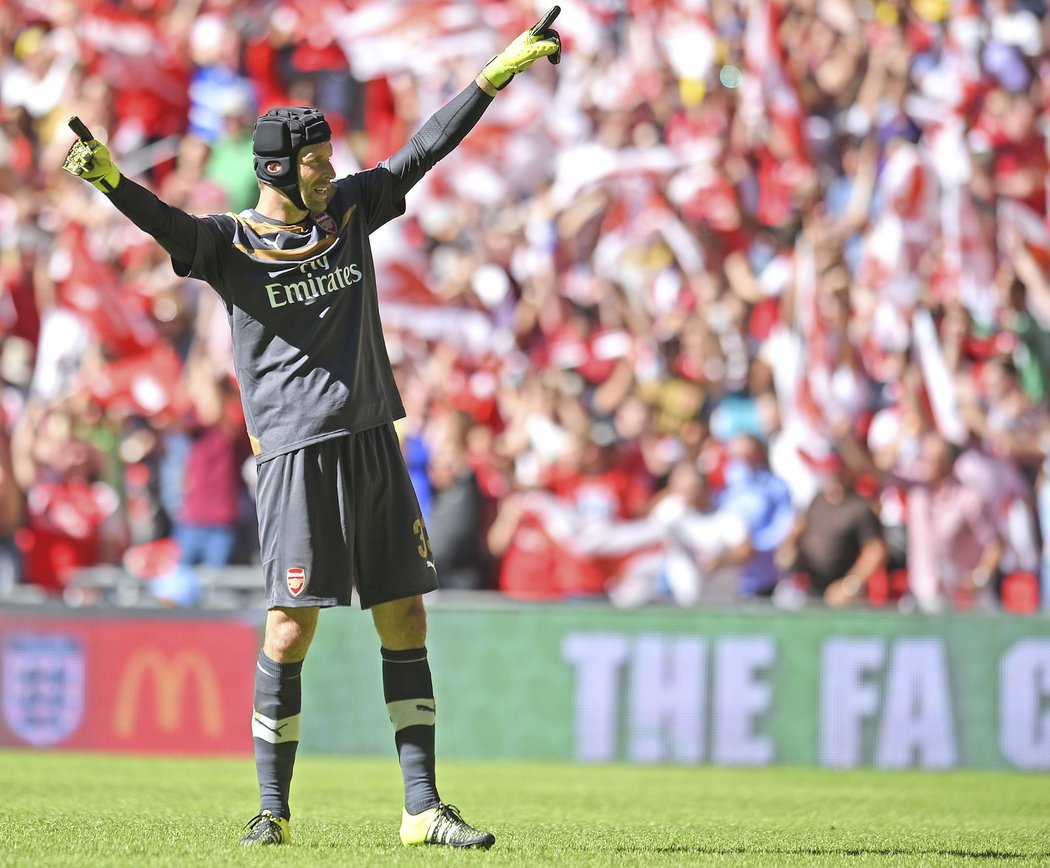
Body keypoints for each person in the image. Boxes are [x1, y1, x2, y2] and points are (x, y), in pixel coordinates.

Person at [61, 9, 563, 850]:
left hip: (373, 438)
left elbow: (424, 150)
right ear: (278, 171)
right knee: (289, 628)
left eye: (331, 159)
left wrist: (492, 76)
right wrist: (111, 179)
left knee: (405, 617)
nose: (335, 171)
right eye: (319, 162)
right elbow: (167, 228)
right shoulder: (229, 245)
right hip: (293, 456)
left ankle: (421, 808)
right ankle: (272, 810)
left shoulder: (353, 212)